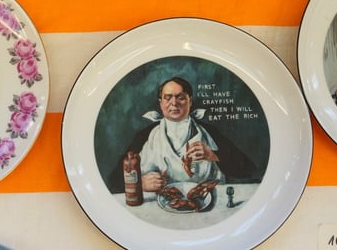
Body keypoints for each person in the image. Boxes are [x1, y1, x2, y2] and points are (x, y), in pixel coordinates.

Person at [108, 77, 259, 194]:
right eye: (168, 98)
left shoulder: (208, 131)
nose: (174, 103)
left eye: (180, 97)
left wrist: (213, 155)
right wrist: (139, 183)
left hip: (206, 200)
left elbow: (248, 169)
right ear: (161, 103)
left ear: (190, 101)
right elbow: (113, 181)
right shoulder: (146, 135)